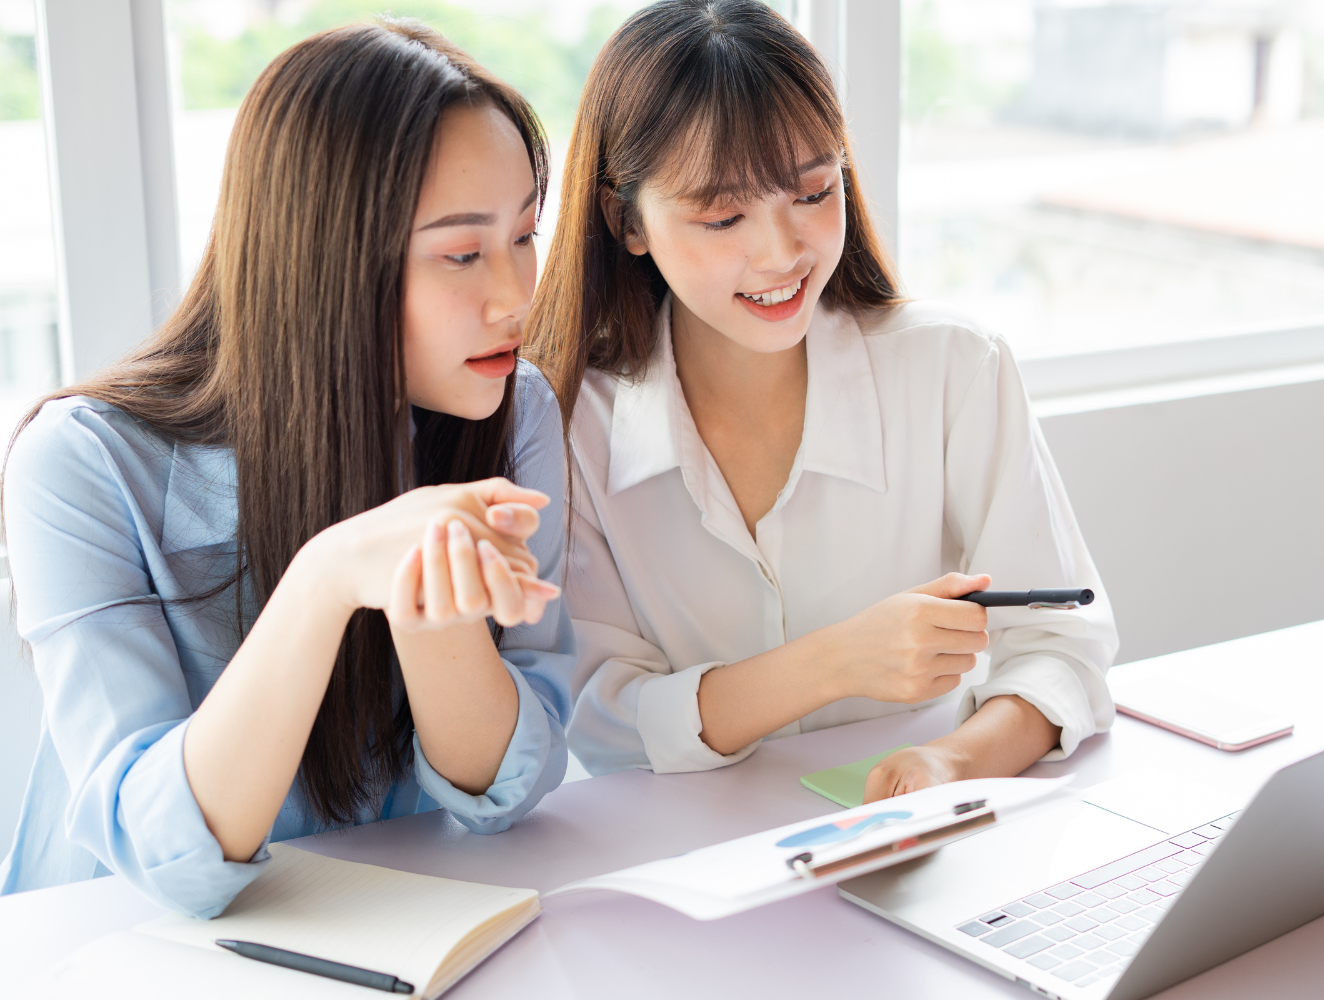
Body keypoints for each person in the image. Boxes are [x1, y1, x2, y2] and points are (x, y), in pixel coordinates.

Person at [0, 21, 574, 918]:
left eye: (525, 236)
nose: (516, 296)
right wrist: (327, 578)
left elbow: (504, 790)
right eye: (463, 254)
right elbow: (167, 855)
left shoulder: (514, 410)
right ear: (327, 261)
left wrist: (429, 610)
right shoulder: (81, 462)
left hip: (398, 936)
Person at [528, 0, 1118, 798]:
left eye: (812, 192)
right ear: (624, 220)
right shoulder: (567, 425)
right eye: (724, 214)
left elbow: (1059, 644)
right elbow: (601, 719)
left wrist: (952, 762)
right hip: (686, 863)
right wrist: (836, 662)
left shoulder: (953, 367)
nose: (781, 252)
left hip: (921, 833)